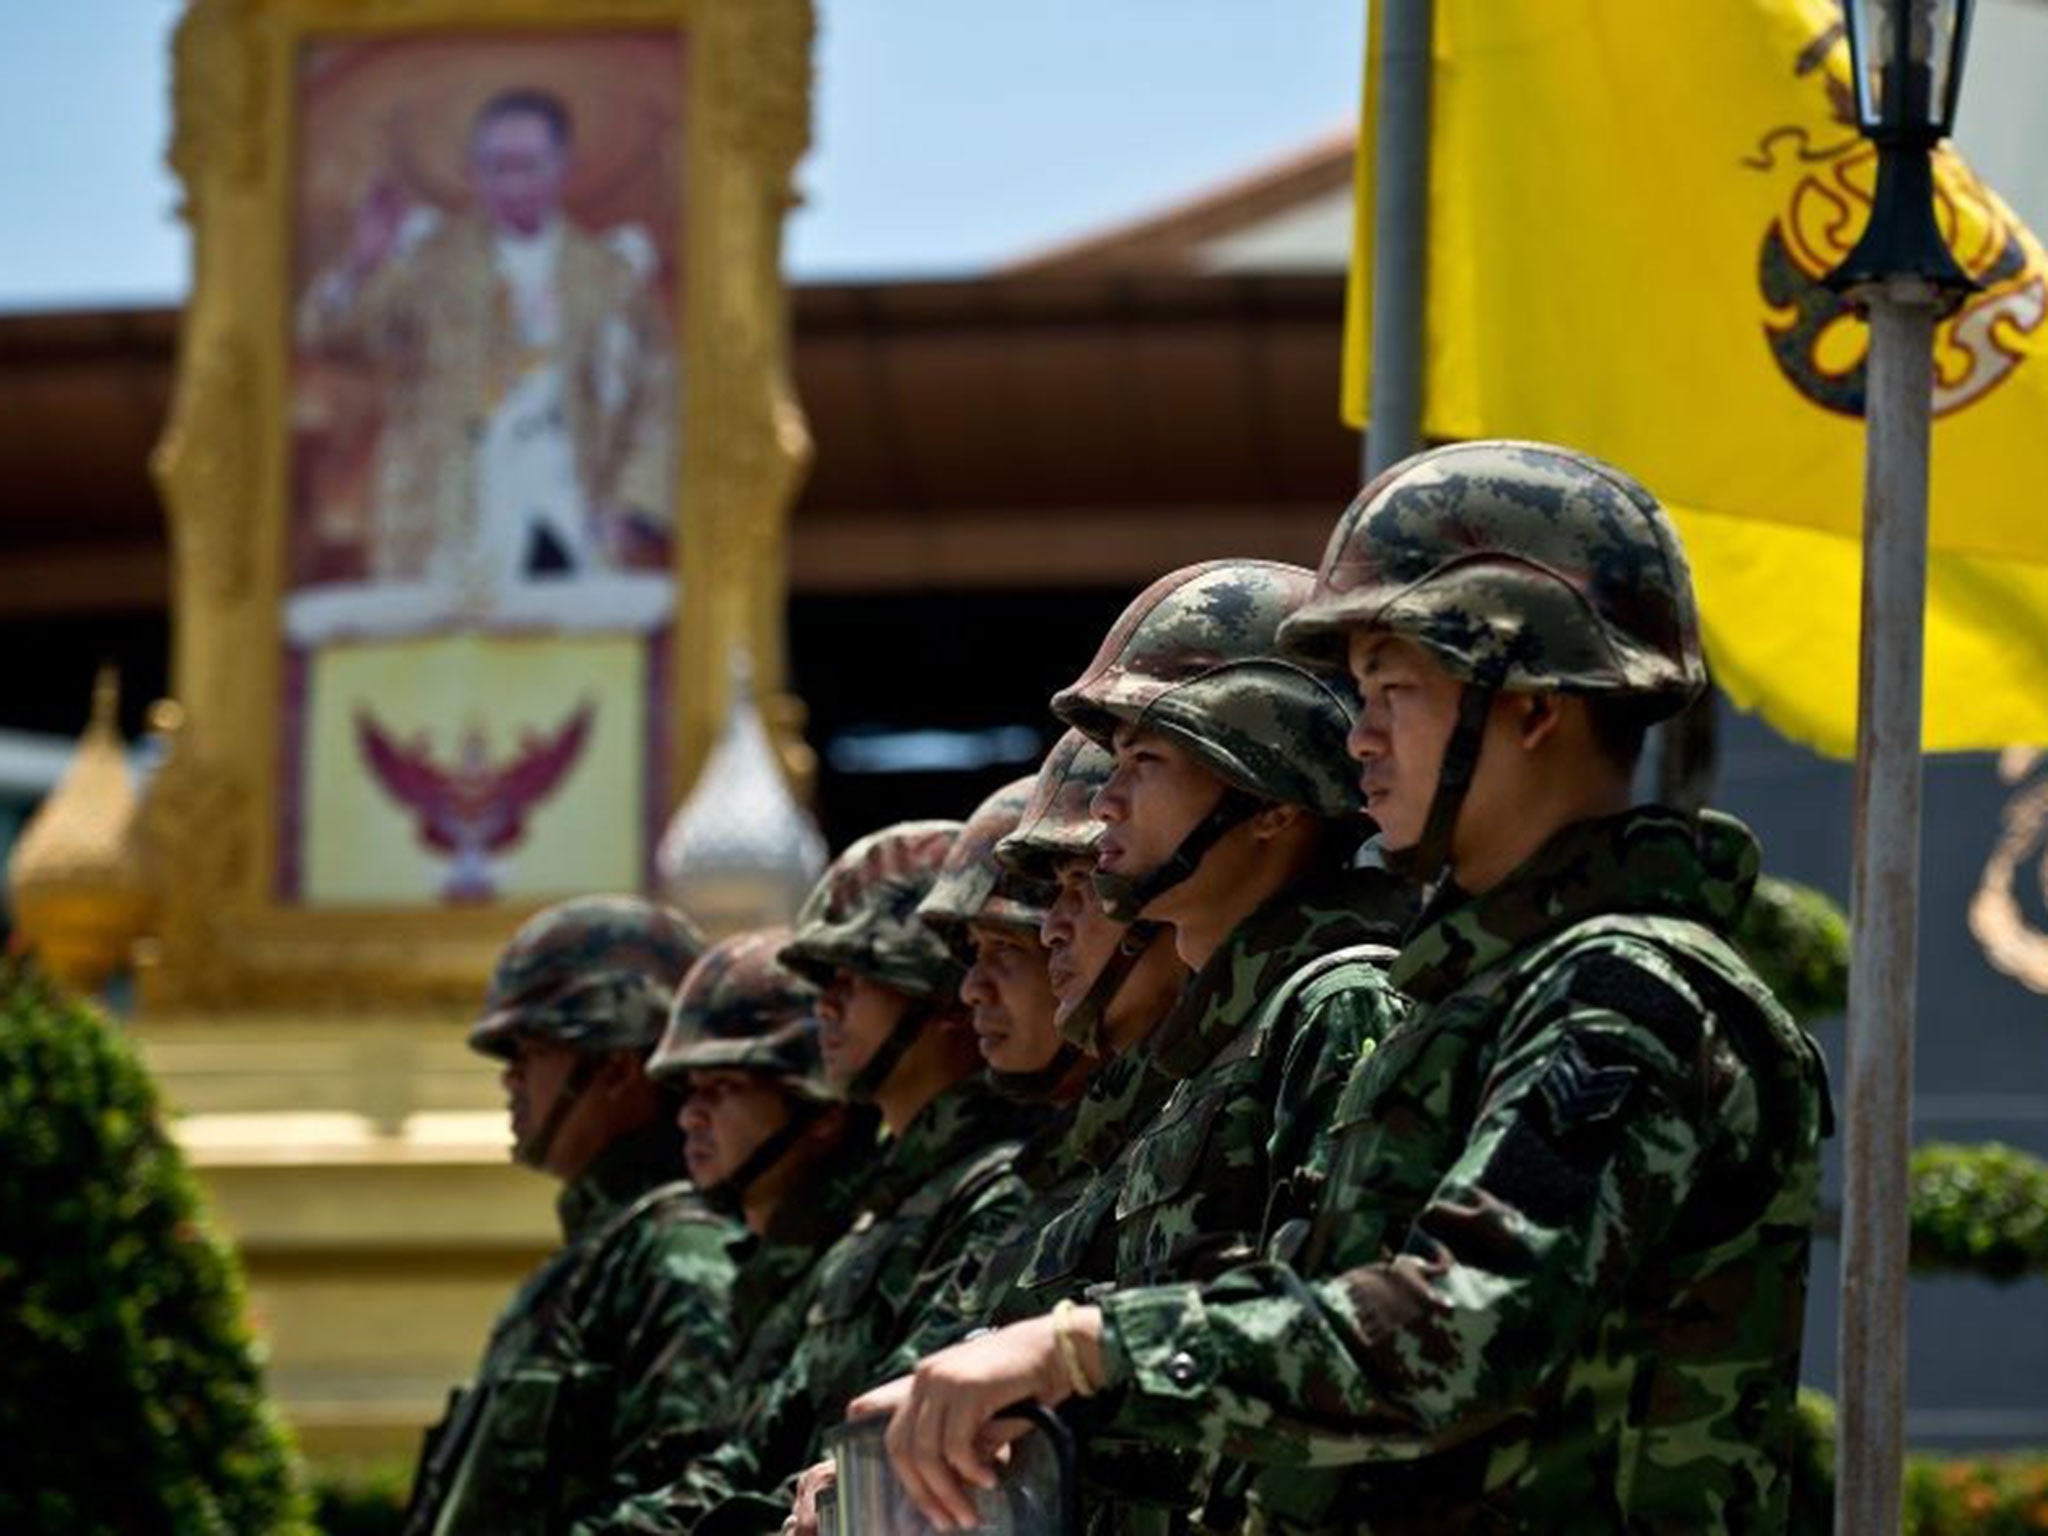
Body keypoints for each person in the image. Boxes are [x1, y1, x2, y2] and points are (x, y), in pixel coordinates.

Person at [865, 441, 1833, 1535]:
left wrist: (1086, 1348)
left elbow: (1457, 1328)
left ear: (1530, 707)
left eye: (1394, 691)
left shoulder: (1626, 992)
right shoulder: (1487, 995)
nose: (1357, 737)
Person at [853, 561, 1415, 1534]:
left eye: (1146, 761)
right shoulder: (1205, 1057)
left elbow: (1343, 1362)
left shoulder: (1338, 1012)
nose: (1105, 800)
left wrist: (1071, 1356)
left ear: (1271, 798)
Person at [589, 822, 1040, 1536]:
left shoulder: (1002, 1192)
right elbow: (759, 1452)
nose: (823, 1004)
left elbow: (889, 1446)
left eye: (852, 977)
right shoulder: (886, 1217)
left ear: (939, 999)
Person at [405, 896, 737, 1536]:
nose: (510, 1082)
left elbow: (691, 1499)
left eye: (527, 1054)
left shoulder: (680, 1254)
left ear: (615, 1070)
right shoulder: (598, 1260)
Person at [296, 87, 674, 637]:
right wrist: (364, 263)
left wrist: (635, 507)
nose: (511, 183)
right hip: (451, 508)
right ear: (474, 170)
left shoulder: (609, 275)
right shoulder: (429, 261)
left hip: (568, 504)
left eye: (526, 165)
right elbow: (334, 339)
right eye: (495, 166)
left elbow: (658, 398)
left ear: (562, 167)